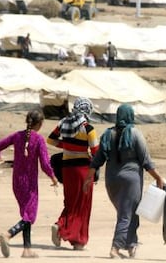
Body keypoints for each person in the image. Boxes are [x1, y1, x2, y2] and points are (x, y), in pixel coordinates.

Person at [83, 104, 164, 259]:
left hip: (111, 181)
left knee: (129, 213)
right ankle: (115, 247)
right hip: (130, 181)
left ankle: (132, 245)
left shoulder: (108, 134)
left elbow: (97, 160)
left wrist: (88, 179)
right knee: (125, 215)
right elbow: (146, 161)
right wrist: (158, 178)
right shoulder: (135, 134)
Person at [0, 109, 58, 258]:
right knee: (30, 215)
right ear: (40, 123)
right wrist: (53, 177)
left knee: (26, 213)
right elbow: (45, 164)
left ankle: (27, 250)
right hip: (30, 183)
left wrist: (0, 157)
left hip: (16, 182)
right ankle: (8, 234)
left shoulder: (16, 136)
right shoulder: (38, 139)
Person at [47, 97, 99, 250]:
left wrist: (67, 146)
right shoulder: (88, 128)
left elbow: (50, 140)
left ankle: (62, 226)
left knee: (70, 202)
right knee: (82, 204)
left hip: (66, 169)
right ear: (88, 109)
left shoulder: (63, 123)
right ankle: (77, 240)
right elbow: (96, 152)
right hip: (83, 170)